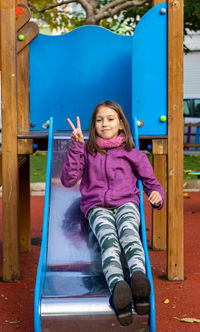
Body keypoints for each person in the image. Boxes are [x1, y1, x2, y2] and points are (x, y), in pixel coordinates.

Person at [61, 100, 164, 326]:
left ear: (120, 124)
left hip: (126, 203)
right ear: (93, 125)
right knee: (109, 241)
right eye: (99, 120)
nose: (104, 124)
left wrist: (156, 195)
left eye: (110, 119)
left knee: (129, 234)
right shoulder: (87, 152)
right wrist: (77, 147)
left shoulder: (133, 153)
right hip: (97, 207)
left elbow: (152, 183)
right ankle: (119, 288)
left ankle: (138, 280)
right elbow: (68, 180)